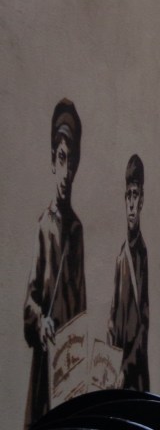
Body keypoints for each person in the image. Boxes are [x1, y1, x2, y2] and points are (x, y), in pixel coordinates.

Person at [23, 99, 87, 427]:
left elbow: (82, 306)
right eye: (61, 159)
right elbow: (29, 301)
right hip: (45, 370)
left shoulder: (77, 231)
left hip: (70, 370)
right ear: (53, 161)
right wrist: (41, 322)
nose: (66, 173)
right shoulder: (44, 226)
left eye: (71, 162)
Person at [106, 154, 150, 391]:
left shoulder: (141, 254)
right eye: (128, 196)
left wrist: (125, 368)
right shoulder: (121, 254)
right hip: (116, 374)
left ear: (142, 200)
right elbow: (113, 317)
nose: (131, 204)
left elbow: (144, 325)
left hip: (134, 376)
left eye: (136, 195)